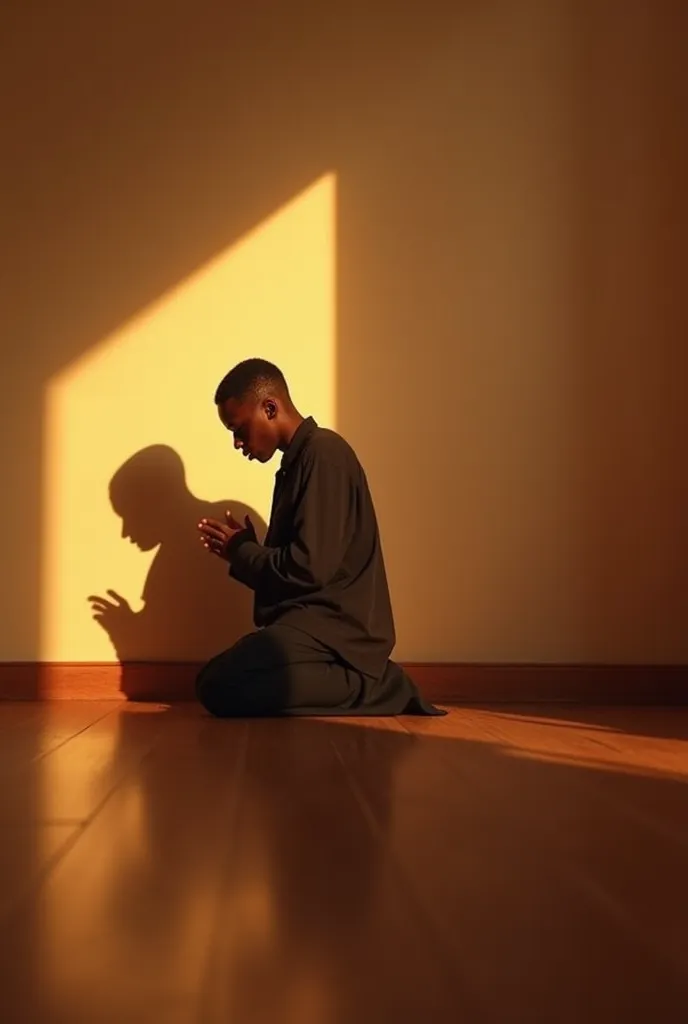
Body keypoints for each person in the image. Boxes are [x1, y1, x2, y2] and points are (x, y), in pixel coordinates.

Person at [196, 358, 445, 717]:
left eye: (239, 428)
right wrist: (246, 551)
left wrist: (244, 551)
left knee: (220, 685)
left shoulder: (324, 453)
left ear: (269, 408)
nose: (237, 443)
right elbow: (304, 571)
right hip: (311, 628)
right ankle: (357, 677)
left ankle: (377, 685)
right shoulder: (297, 463)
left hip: (336, 636)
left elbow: (308, 569)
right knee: (214, 681)